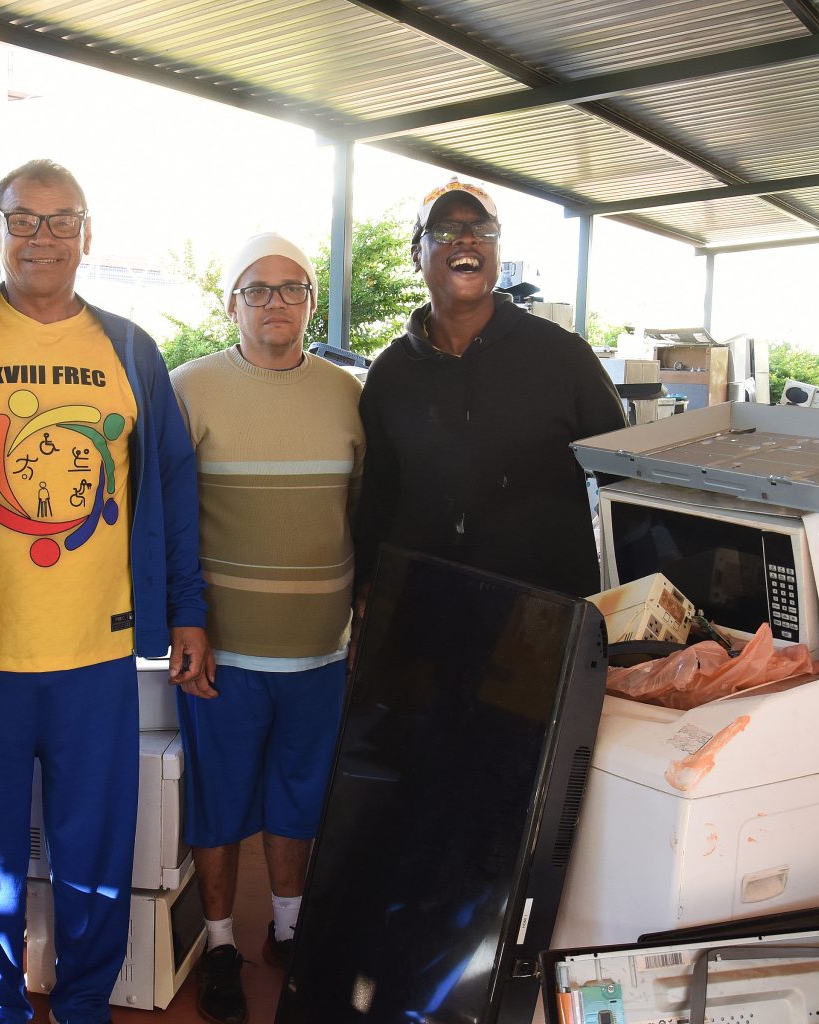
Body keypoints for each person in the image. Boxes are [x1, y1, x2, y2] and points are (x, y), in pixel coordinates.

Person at [0, 159, 209, 1024]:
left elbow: (172, 488)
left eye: (61, 221)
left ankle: (88, 1003)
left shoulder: (131, 349)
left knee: (95, 853)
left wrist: (188, 611)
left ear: (88, 235)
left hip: (96, 652)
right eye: (22, 220)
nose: (43, 238)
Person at [167, 233, 364, 1024]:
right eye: (258, 289)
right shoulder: (190, 390)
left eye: (292, 289)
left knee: (299, 798)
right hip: (223, 650)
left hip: (323, 649)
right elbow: (170, 523)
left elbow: (369, 515)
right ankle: (220, 943)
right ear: (231, 304)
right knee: (218, 804)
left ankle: (286, 930)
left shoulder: (350, 395)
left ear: (311, 304)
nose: (275, 302)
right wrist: (186, 622)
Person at [354, 178, 625, 604]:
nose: (467, 239)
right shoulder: (391, 373)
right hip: (421, 614)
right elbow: (376, 497)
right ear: (417, 254)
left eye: (483, 230)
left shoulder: (564, 357)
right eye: (444, 231)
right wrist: (367, 593)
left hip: (541, 620)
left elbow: (622, 481)